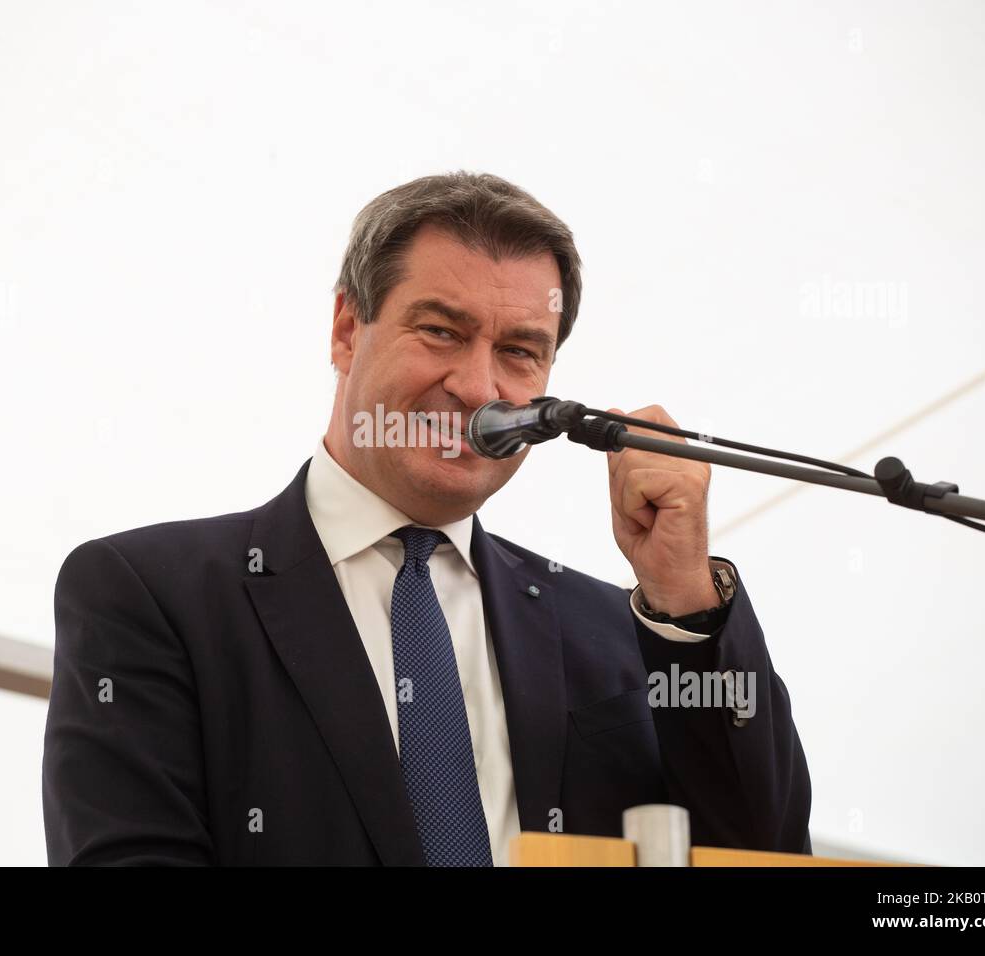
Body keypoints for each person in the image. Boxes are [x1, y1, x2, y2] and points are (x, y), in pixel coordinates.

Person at [42, 171, 812, 866]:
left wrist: (683, 595)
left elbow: (765, 854)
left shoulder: (616, 632)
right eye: (441, 330)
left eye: (519, 351)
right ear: (347, 330)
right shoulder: (153, 595)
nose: (478, 387)